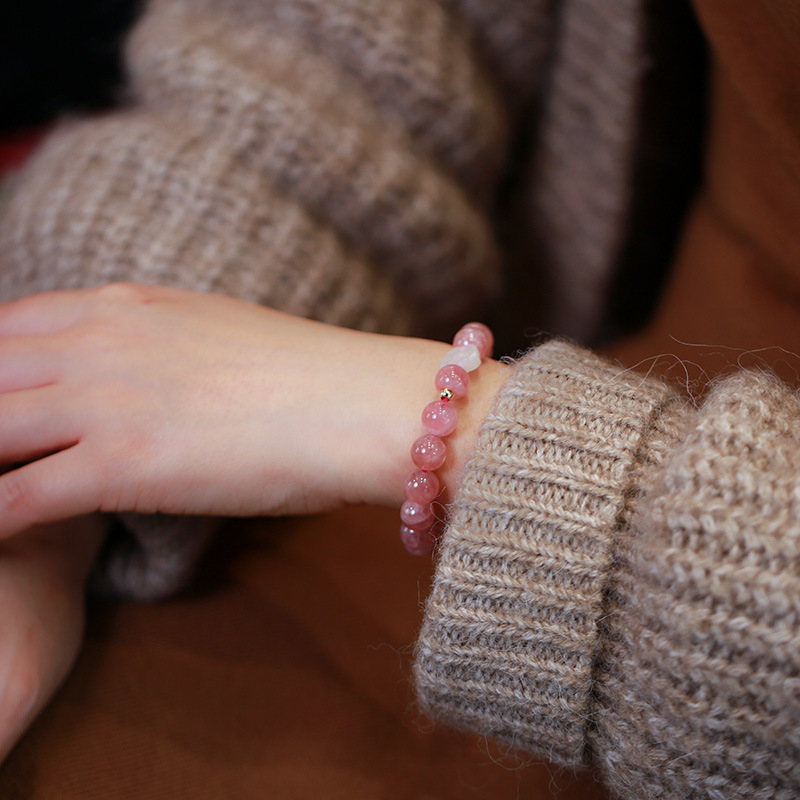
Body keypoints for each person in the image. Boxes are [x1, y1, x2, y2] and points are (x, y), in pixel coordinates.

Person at [1, 0, 800, 798]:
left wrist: (435, 422)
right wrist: (55, 474)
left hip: (612, 599)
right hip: (431, 485)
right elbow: (337, 55)